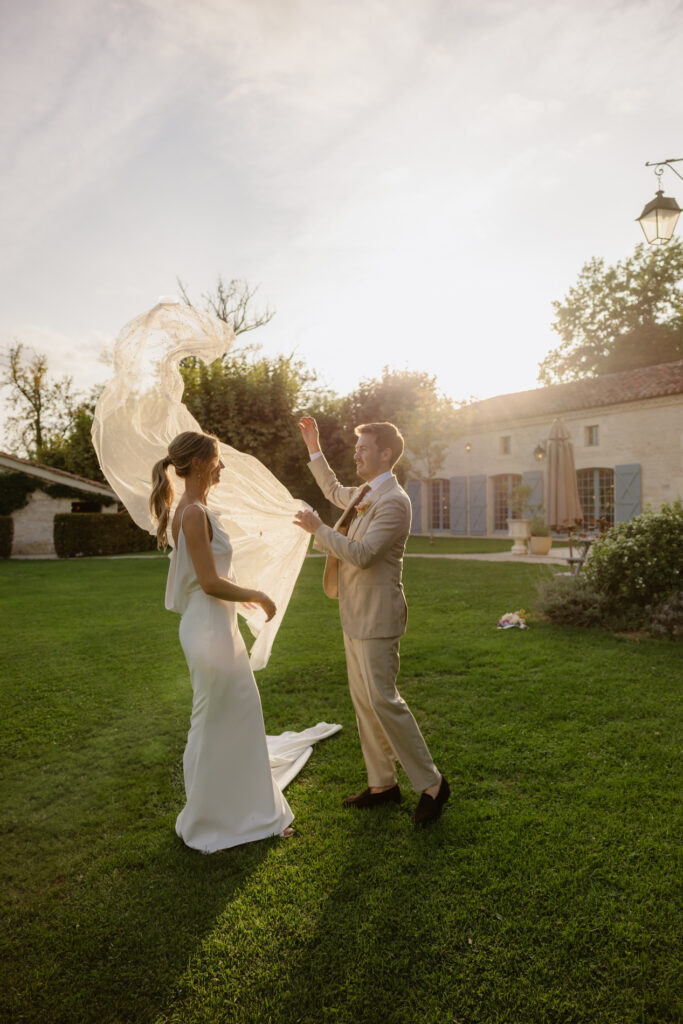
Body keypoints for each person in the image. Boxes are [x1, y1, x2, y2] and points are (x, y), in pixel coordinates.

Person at [294, 417, 450, 826]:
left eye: (363, 448)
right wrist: (313, 446)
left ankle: (433, 784)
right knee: (364, 703)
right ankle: (383, 784)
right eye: (357, 447)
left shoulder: (395, 502)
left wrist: (319, 529)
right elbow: (331, 489)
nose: (357, 453)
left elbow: (363, 554)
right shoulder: (364, 492)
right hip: (354, 613)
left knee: (385, 701)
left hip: (379, 617)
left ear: (385, 454)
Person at [150, 430, 294, 851]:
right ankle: (211, 818)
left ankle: (231, 807)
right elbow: (211, 582)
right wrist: (257, 595)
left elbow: (212, 580)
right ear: (197, 464)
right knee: (216, 717)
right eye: (217, 459)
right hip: (208, 627)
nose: (223, 466)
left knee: (227, 714)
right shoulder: (192, 512)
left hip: (215, 624)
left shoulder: (198, 509)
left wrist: (240, 601)